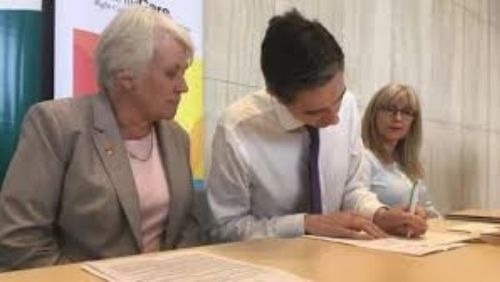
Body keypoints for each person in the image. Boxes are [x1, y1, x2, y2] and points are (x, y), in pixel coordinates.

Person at [0, 6, 199, 271]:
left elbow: (185, 228)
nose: (183, 87)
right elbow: (20, 240)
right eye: (171, 73)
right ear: (126, 76)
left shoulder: (177, 138)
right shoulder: (56, 125)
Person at [206, 9, 427, 243]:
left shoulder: (349, 105)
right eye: (314, 112)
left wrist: (380, 215)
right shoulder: (237, 129)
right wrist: (305, 224)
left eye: (338, 99)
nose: (334, 119)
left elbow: (352, 189)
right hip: (268, 264)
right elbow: (224, 229)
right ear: (276, 96)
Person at [362, 83, 440, 218]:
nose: (397, 118)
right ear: (373, 114)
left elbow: (430, 211)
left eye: (406, 112)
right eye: (390, 110)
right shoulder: (363, 158)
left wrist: (424, 214)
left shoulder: (409, 165)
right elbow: (354, 207)